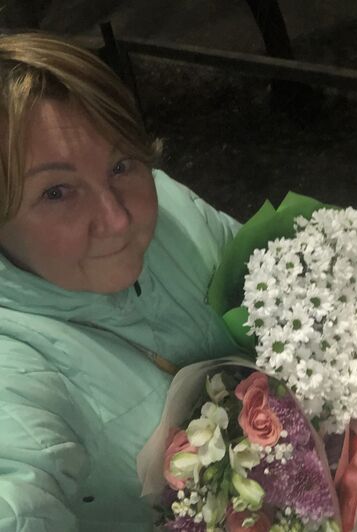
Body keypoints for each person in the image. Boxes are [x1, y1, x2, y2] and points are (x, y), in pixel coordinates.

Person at [0, 32, 241, 531]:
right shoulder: (12, 364)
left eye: (120, 163)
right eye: (57, 192)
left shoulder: (170, 209)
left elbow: (276, 281)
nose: (117, 219)